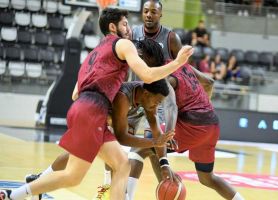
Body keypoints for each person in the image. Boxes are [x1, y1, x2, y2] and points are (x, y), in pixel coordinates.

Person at [0, 7, 193, 200]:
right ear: (112, 27)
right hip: (92, 109)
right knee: (73, 176)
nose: (129, 29)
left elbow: (76, 93)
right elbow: (148, 75)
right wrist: (178, 62)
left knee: (122, 164)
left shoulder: (98, 50)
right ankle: (14, 195)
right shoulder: (124, 45)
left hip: (83, 107)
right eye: (125, 24)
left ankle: (28, 186)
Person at [128, 61, 245, 200]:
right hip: (211, 123)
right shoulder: (184, 66)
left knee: (139, 149)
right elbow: (209, 82)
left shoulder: (164, 74)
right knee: (207, 177)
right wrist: (201, 107)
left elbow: (171, 107)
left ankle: (125, 197)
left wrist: (169, 134)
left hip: (192, 125)